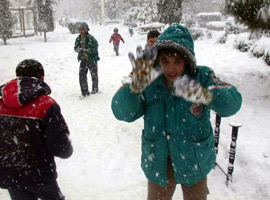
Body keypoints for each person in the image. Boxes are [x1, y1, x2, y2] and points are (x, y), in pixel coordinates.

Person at [111, 24, 242, 200]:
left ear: (187, 61)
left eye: (177, 62)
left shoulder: (201, 76)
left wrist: (207, 95)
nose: (171, 69)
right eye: (165, 62)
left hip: (194, 161)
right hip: (159, 161)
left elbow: (232, 103)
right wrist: (134, 85)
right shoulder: (149, 80)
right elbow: (122, 112)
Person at [0, 59, 73, 200]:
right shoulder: (45, 105)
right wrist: (67, 149)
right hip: (40, 174)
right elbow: (59, 146)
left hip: (9, 173)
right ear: (41, 78)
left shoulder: (1, 102)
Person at [74, 22, 100, 97]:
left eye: (82, 30)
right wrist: (78, 49)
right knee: (82, 76)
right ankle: (84, 91)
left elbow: (95, 49)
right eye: (80, 30)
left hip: (92, 60)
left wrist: (86, 50)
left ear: (86, 30)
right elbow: (75, 47)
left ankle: (95, 89)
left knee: (94, 75)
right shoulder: (78, 38)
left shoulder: (91, 38)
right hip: (83, 60)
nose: (81, 31)